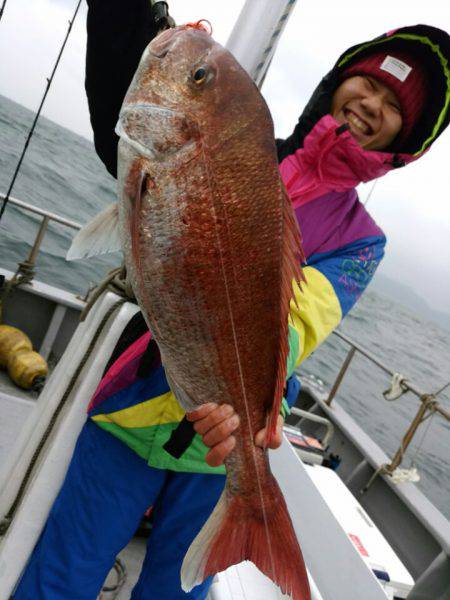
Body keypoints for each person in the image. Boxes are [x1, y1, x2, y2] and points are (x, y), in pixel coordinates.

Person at [12, 1, 450, 597]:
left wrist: (244, 410)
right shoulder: (232, 139)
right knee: (63, 569)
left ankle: (250, 511)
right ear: (338, 79)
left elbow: (297, 326)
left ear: (412, 136)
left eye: (395, 105)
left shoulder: (361, 243)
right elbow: (128, 112)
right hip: (134, 407)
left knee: (175, 590)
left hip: (217, 453)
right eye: (368, 82)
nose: (372, 103)